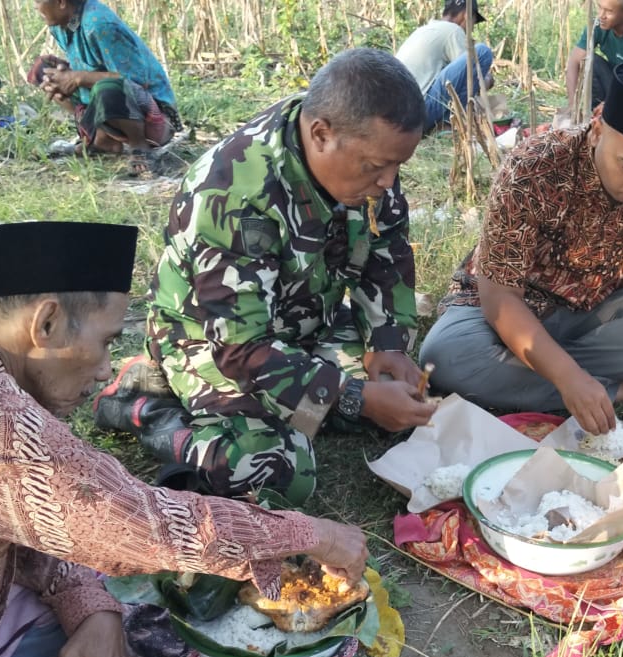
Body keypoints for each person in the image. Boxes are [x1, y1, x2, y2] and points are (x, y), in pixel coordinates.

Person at [0, 221, 368, 657]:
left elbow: (31, 507)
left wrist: (88, 604)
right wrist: (304, 534)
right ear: (47, 324)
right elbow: (125, 518)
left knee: (113, 608)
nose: (105, 369)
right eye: (105, 342)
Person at [94, 48, 435, 505]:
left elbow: (387, 254)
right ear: (320, 135)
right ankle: (146, 405)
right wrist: (355, 397)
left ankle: (324, 399)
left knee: (394, 399)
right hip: (210, 339)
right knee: (272, 468)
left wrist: (386, 345)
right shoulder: (234, 193)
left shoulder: (363, 154)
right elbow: (241, 348)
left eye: (399, 167)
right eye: (376, 167)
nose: (389, 183)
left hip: (304, 322)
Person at [421, 62, 623, 435]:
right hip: (496, 312)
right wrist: (569, 377)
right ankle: (619, 390)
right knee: (445, 357)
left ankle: (529, 372)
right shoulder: (535, 166)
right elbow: (501, 300)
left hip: (589, 313)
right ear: (598, 128)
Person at [29, 0, 180, 173]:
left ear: (62, 3)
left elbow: (135, 80)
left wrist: (77, 77)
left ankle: (140, 146)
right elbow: (95, 64)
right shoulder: (60, 24)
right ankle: (102, 140)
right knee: (43, 71)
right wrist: (65, 71)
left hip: (152, 114)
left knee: (107, 88)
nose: (35, 6)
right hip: (108, 103)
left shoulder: (99, 24)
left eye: (38, 1)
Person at [396, 0, 494, 132]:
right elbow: (472, 77)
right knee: (482, 52)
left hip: (400, 121)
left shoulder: (424, 30)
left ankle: (447, 122)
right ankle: (448, 123)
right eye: (473, 22)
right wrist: (488, 79)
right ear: (466, 15)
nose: (471, 28)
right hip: (420, 115)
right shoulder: (453, 30)